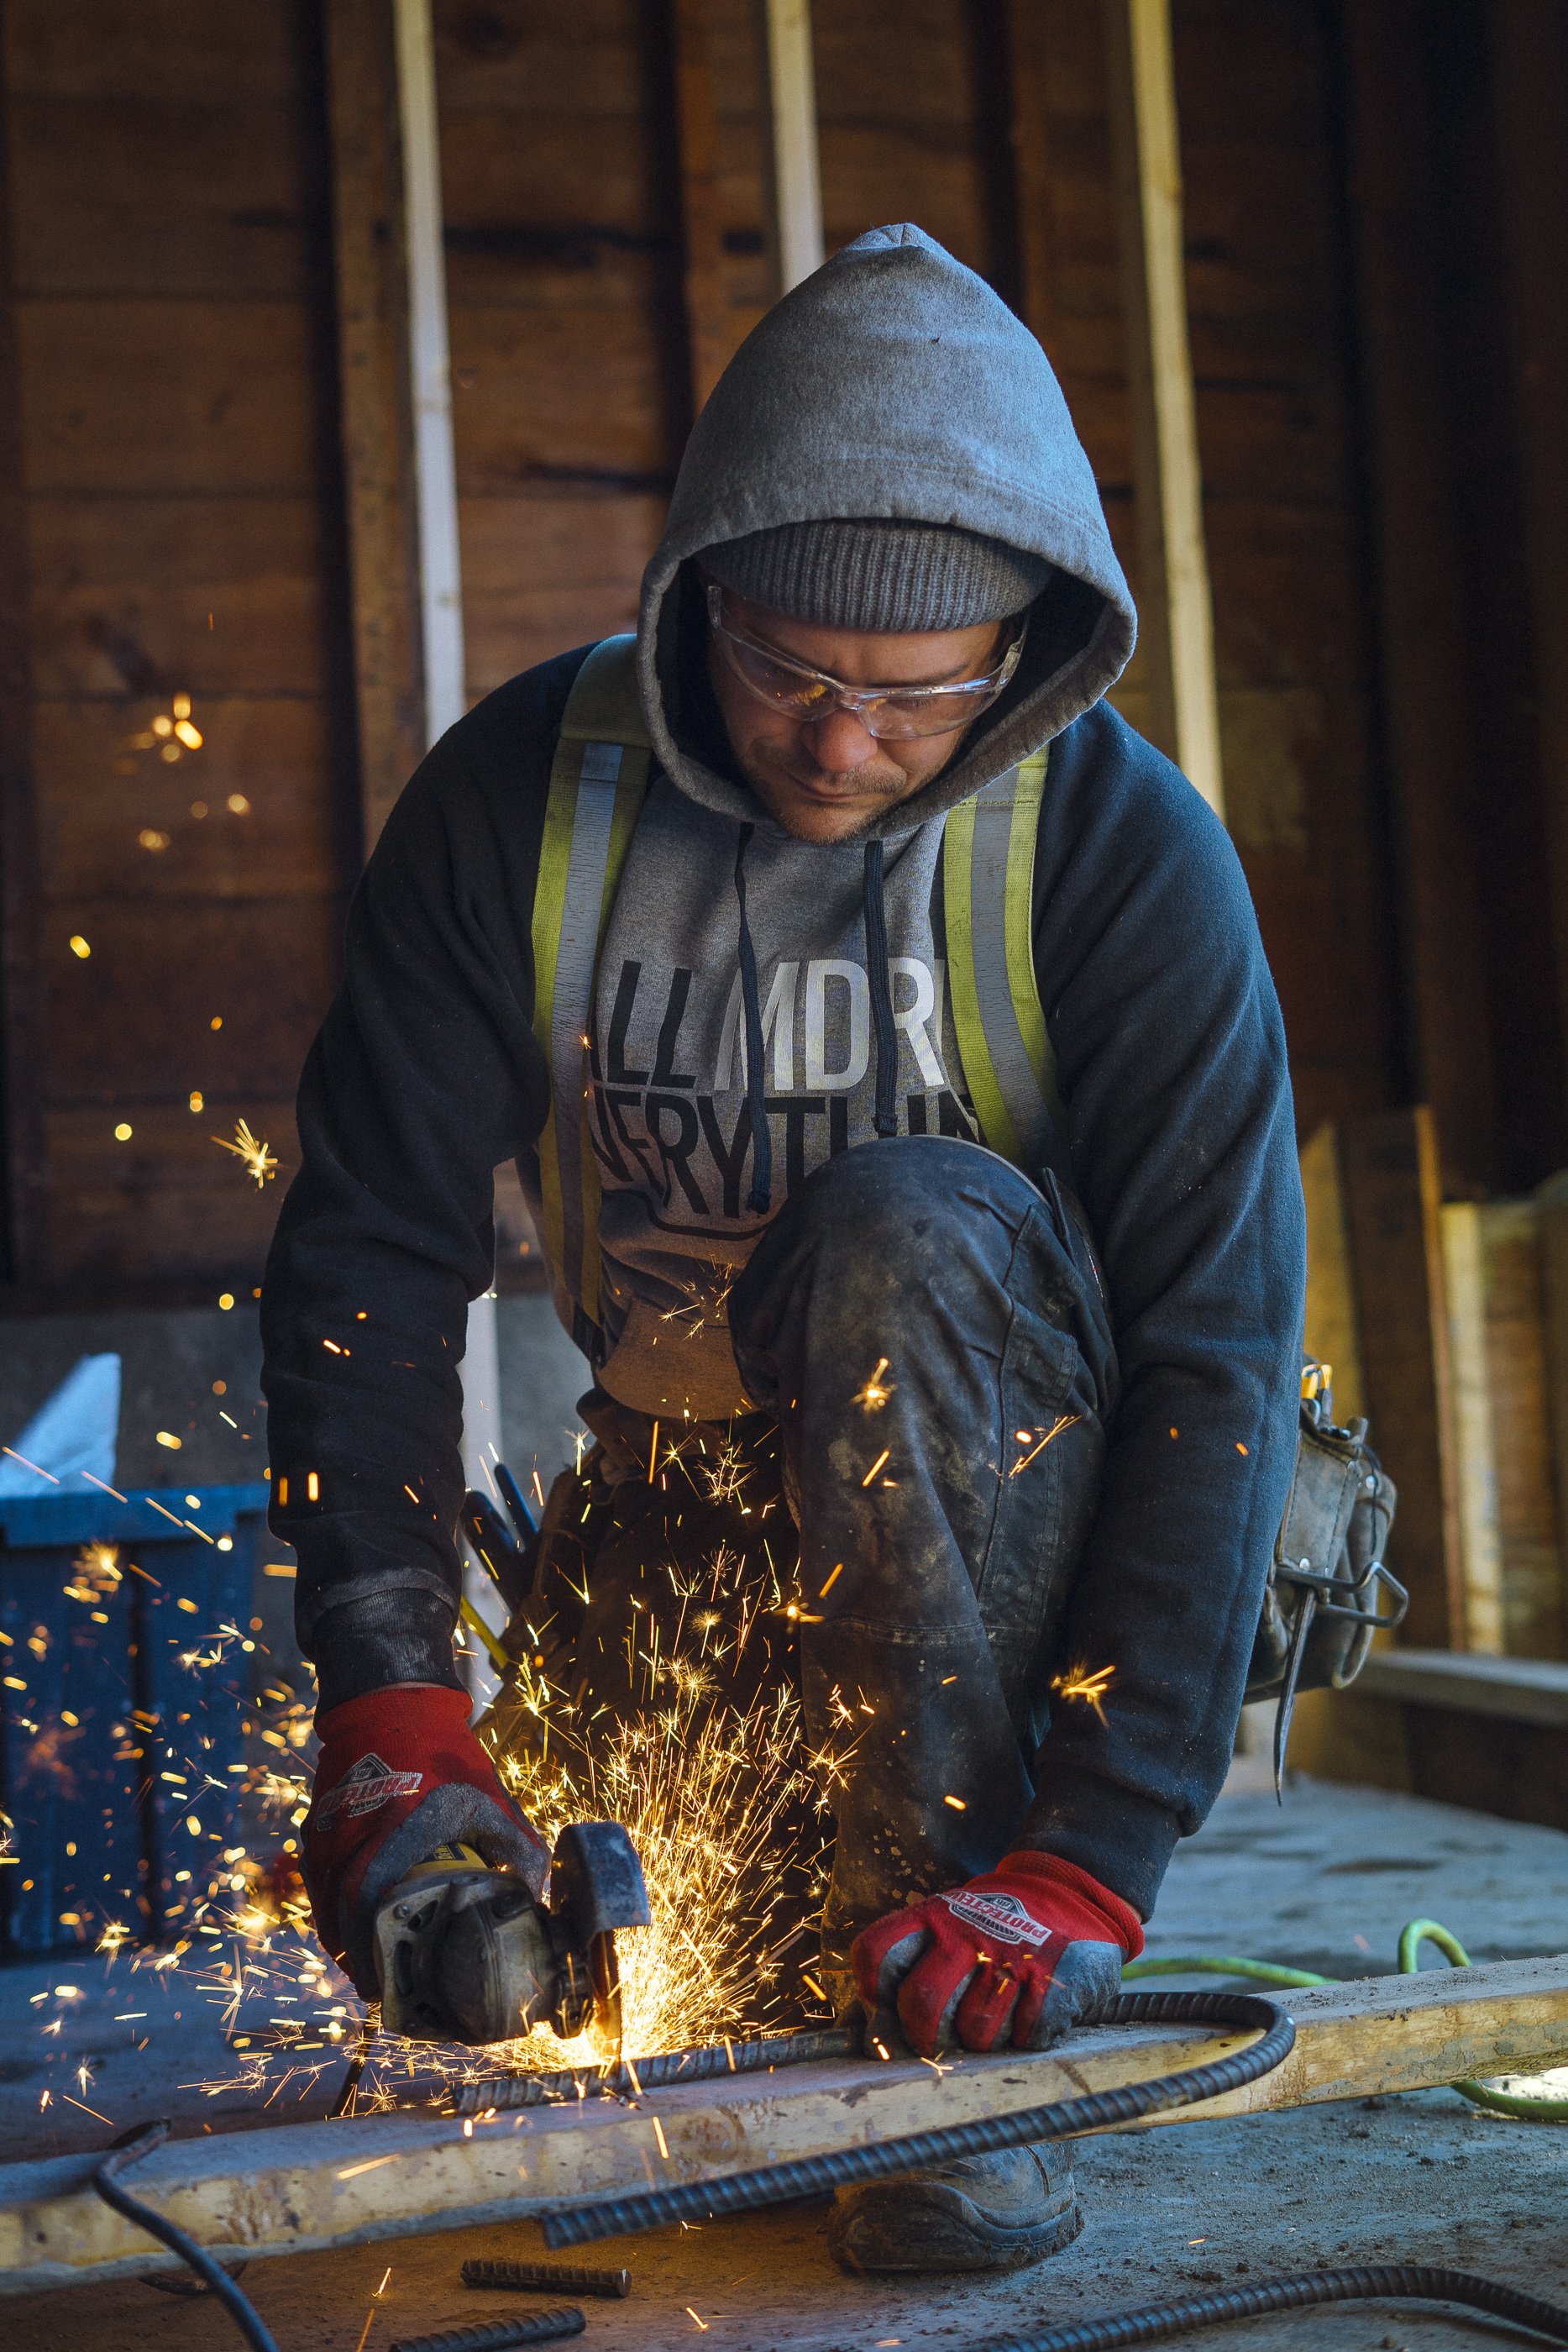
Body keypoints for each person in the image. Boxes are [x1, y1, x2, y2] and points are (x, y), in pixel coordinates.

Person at [261, 223, 1305, 2275]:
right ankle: (804, 1959)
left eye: (915, 700)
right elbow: (371, 1245)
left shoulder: (1121, 851)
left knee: (901, 1224)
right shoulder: (515, 803)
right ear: (694, 600)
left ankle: (956, 2094)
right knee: (656, 2021)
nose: (838, 746)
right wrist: (391, 1707)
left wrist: (1087, 1850)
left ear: (1026, 654)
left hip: (1014, 1527)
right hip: (687, 1489)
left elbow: (1218, 1350)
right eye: (786, 674)